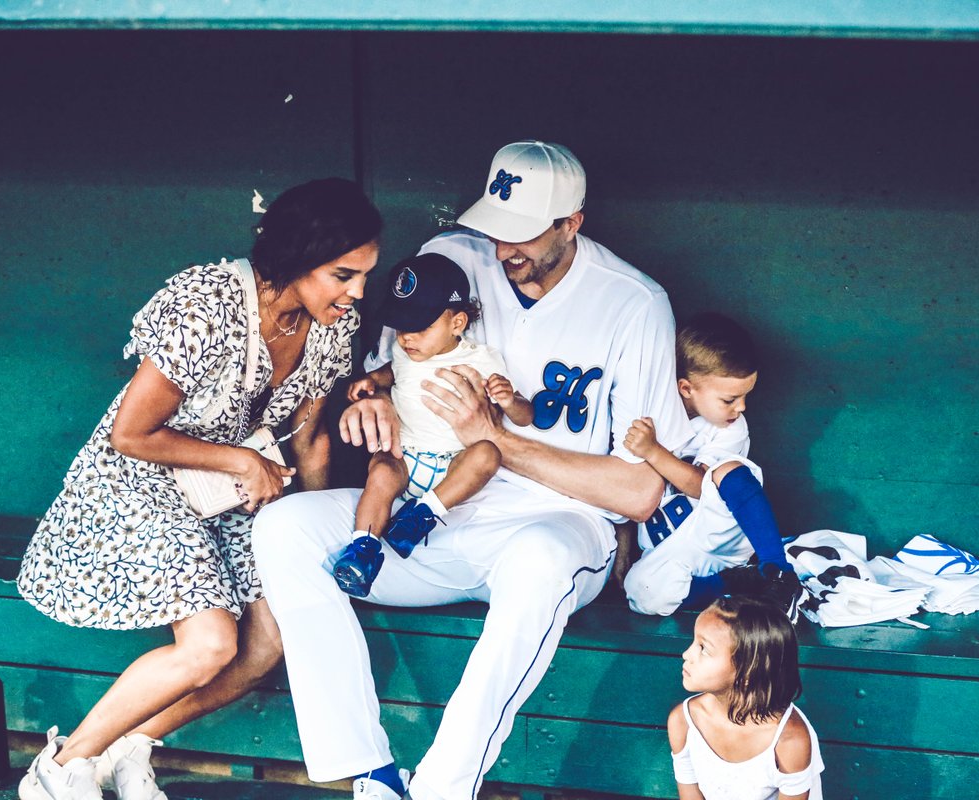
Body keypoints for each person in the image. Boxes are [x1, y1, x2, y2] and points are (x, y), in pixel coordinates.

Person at [253, 140, 692, 800]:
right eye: (495, 226)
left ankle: (439, 790)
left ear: (571, 222)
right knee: (287, 528)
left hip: (555, 524)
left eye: (521, 234)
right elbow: (389, 376)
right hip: (432, 513)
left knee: (541, 561)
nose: (503, 247)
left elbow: (638, 492)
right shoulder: (454, 258)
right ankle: (370, 774)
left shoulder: (633, 303)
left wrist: (496, 441)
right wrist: (370, 407)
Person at [15, 178, 382, 800]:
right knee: (211, 645)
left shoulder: (327, 327)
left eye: (365, 275)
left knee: (271, 640)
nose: (358, 292)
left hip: (229, 492)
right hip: (139, 481)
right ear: (296, 256)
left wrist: (313, 538)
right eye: (344, 274)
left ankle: (128, 748)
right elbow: (131, 434)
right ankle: (61, 766)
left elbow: (310, 440)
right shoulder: (207, 300)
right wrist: (241, 459)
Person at [332, 252, 532, 597]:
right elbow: (394, 371)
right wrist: (373, 381)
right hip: (406, 457)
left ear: (457, 323)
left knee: (487, 454)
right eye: (401, 327)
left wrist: (510, 399)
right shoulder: (404, 351)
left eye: (421, 327)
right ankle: (362, 549)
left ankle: (423, 514)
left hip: (453, 465)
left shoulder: (480, 360)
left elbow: (524, 418)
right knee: (380, 469)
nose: (407, 338)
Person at [620, 313, 799, 618]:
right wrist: (622, 544)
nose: (741, 408)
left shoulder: (731, 427)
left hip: (720, 533)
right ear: (687, 388)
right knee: (642, 591)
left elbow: (700, 487)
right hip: (673, 549)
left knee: (727, 471)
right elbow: (619, 486)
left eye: (745, 396)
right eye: (730, 399)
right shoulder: (650, 415)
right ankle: (739, 583)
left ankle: (777, 573)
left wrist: (652, 451)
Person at [670, 596, 825, 800]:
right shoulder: (683, 721)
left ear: (748, 671)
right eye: (693, 642)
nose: (686, 654)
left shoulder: (789, 740)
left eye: (703, 648)